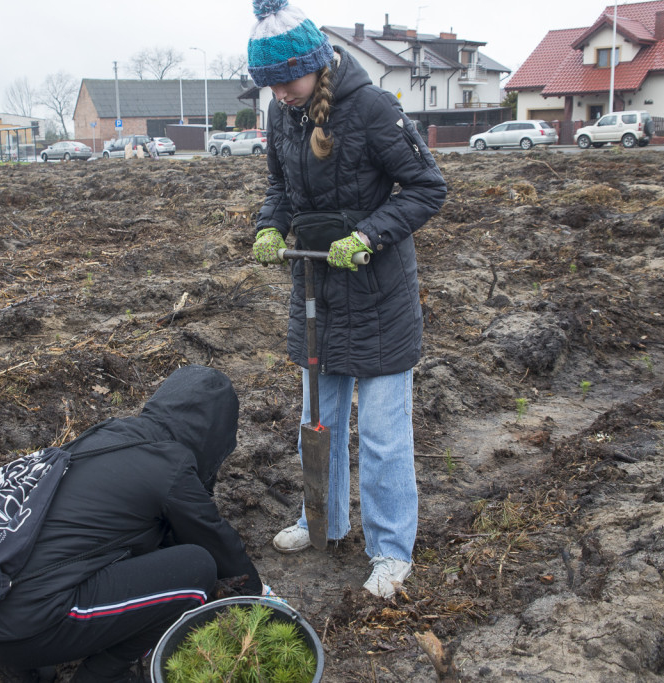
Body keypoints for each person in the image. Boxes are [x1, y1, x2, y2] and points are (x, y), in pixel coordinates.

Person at [247, 0, 447, 598]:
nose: (280, 93)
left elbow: (427, 187)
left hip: (378, 297)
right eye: (270, 84)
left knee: (383, 435)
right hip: (316, 293)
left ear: (313, 65)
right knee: (318, 419)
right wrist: (268, 225)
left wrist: (367, 234)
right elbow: (280, 187)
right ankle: (320, 521)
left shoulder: (372, 107)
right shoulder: (284, 113)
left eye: (287, 80)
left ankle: (390, 550)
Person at [0, 365, 269, 683]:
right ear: (216, 430)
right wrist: (257, 596)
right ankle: (103, 675)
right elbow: (213, 537)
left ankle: (6, 657)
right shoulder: (170, 464)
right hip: (26, 626)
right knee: (196, 569)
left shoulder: (109, 435)